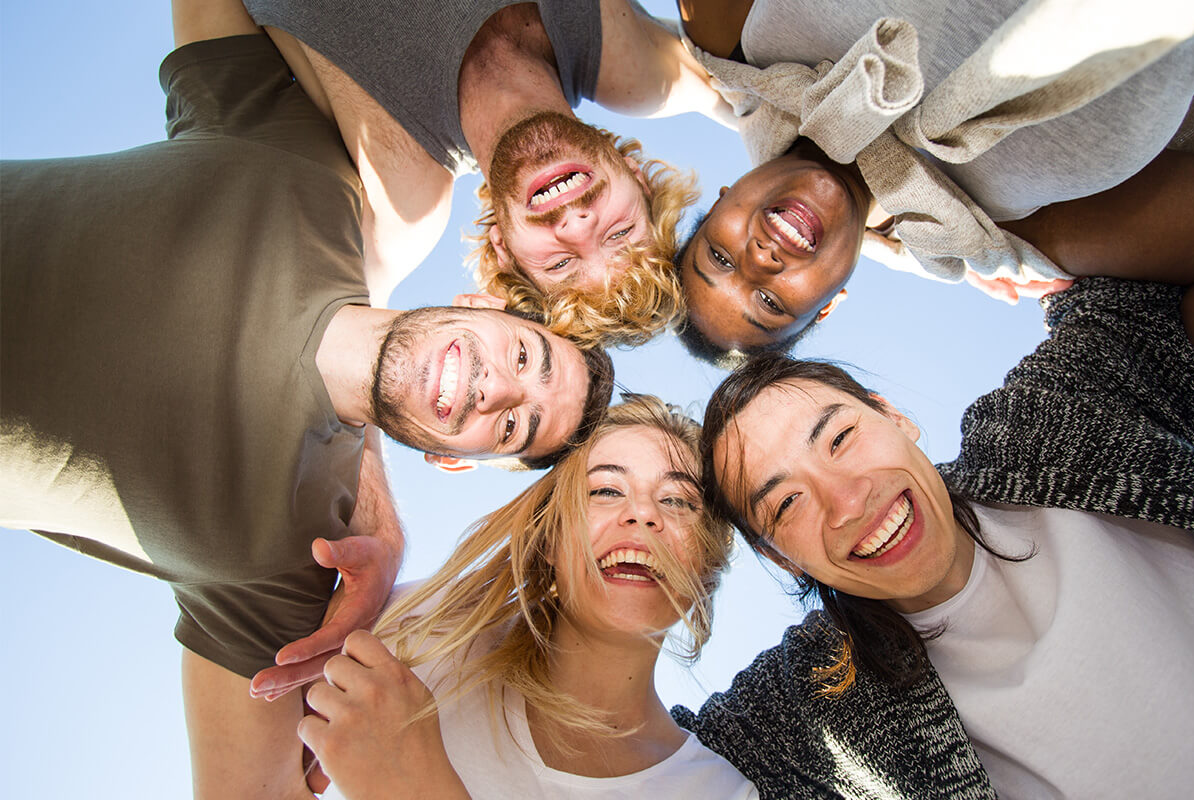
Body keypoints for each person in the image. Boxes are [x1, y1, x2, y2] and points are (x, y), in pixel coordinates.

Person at [0, 4, 614, 796]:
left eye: (512, 426)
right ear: (484, 305)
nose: (499, 389)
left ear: (452, 461)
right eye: (526, 357)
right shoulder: (305, 175)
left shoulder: (291, 567)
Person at [674, 217, 1194, 793]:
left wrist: (933, 226)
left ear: (895, 417)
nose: (847, 500)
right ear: (782, 559)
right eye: (786, 505)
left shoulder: (1047, 430)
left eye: (839, 439)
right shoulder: (808, 701)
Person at [674, 0, 1194, 359]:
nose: (758, 262)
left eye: (720, 257)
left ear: (722, 197)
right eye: (772, 303)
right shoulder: (1002, 233)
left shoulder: (735, 43)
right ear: (829, 309)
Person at [293, 395, 757, 799]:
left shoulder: (718, 792)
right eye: (606, 490)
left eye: (678, 501)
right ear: (550, 541)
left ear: (708, 566)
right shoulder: (416, 633)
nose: (641, 513)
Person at [241, 0, 734, 346]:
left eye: (560, 265)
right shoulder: (635, 64)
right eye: (620, 232)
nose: (579, 227)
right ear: (638, 178)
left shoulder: (401, 195)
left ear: (503, 249)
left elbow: (336, 331)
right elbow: (765, 100)